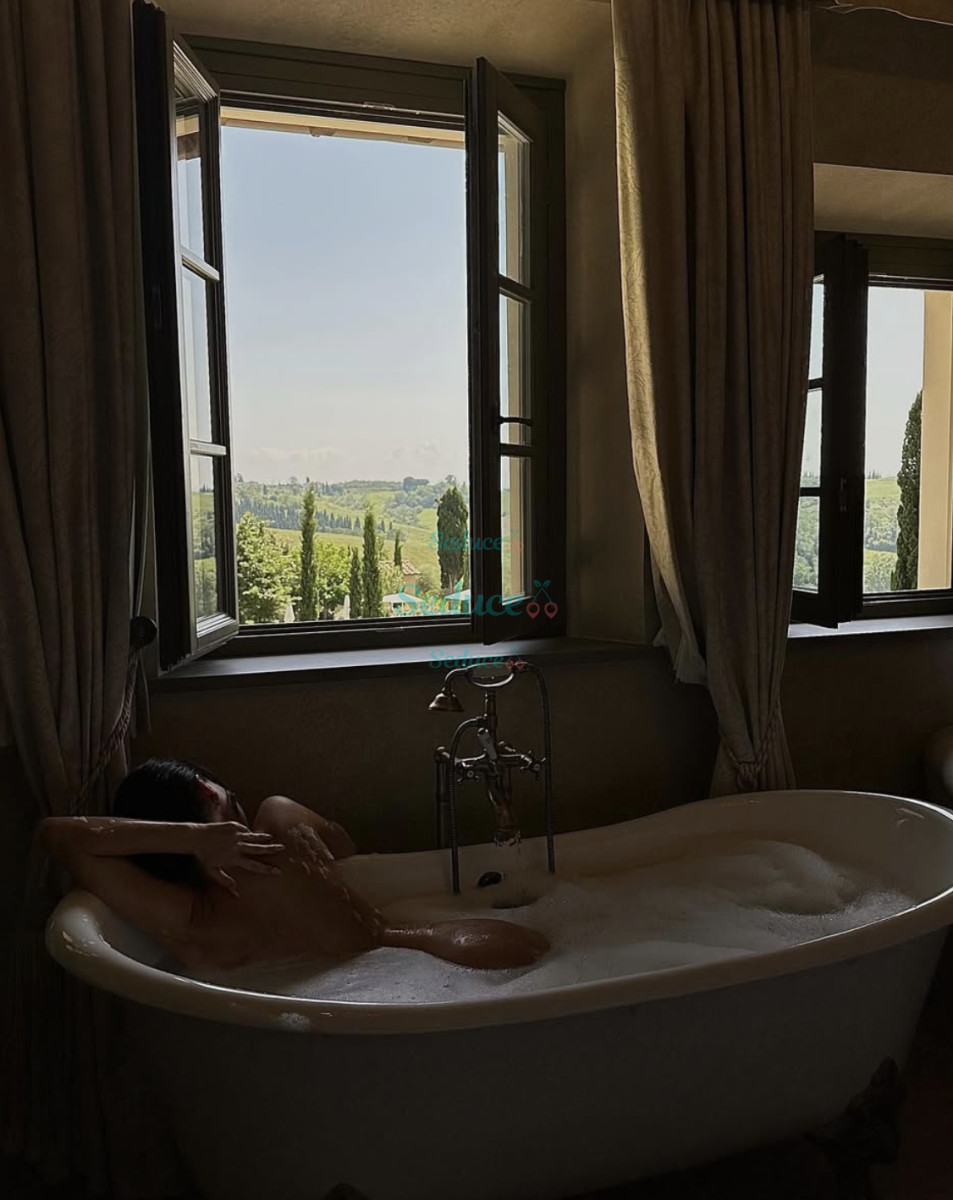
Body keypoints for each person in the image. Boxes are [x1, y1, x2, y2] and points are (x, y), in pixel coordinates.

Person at [41, 759, 548, 972]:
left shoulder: (188, 917)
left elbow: (56, 835)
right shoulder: (280, 822)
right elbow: (348, 849)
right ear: (206, 790)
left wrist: (188, 840)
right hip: (421, 953)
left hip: (336, 1010)